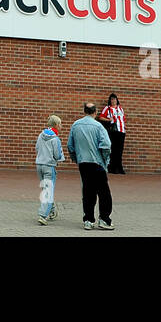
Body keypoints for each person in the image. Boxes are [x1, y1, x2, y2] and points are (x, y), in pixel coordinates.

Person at [66, 102, 112, 230]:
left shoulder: (76, 125)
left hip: (83, 163)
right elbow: (106, 145)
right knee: (104, 193)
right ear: (95, 112)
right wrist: (105, 160)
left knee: (87, 191)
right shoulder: (98, 126)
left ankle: (88, 220)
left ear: (84, 111)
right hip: (97, 163)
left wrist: (77, 159)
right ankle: (104, 219)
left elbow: (70, 146)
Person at [35, 115, 64, 225]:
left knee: (45, 188)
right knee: (48, 190)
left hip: (39, 165)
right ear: (56, 125)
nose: (61, 126)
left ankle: (51, 209)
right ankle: (43, 215)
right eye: (60, 124)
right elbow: (57, 154)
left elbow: (37, 148)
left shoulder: (41, 135)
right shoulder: (55, 138)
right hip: (49, 166)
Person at [98, 92, 126, 174]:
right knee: (113, 149)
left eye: (114, 99)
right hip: (113, 131)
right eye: (112, 99)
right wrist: (108, 120)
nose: (113, 101)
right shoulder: (107, 108)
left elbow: (123, 118)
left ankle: (119, 167)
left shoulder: (120, 108)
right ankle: (112, 168)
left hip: (121, 131)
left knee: (120, 150)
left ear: (117, 100)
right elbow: (101, 117)